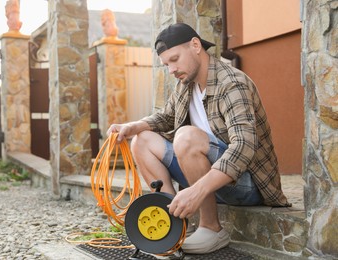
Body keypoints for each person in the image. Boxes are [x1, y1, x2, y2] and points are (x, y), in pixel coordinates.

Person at [107, 23, 290, 254]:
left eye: (175, 59)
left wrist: (197, 190)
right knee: (142, 140)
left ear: (195, 45)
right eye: (166, 64)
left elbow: (244, 146)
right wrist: (133, 126)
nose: (171, 69)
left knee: (186, 137)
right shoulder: (186, 83)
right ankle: (172, 222)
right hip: (211, 180)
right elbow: (167, 116)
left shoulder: (231, 83)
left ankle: (212, 228)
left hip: (248, 186)